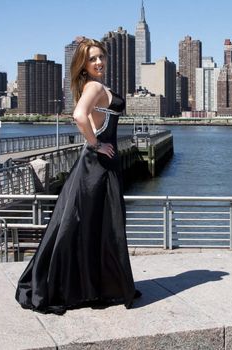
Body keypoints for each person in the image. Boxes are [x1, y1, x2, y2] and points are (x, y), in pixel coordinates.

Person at [15, 37, 140, 315]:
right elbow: (79, 116)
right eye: (92, 59)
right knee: (101, 226)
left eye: (101, 57)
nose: (99, 62)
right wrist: (96, 144)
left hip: (96, 166)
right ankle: (92, 285)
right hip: (97, 166)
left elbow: (86, 116)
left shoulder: (91, 86)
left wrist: (95, 146)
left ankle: (89, 286)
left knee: (88, 226)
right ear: (83, 64)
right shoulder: (94, 86)